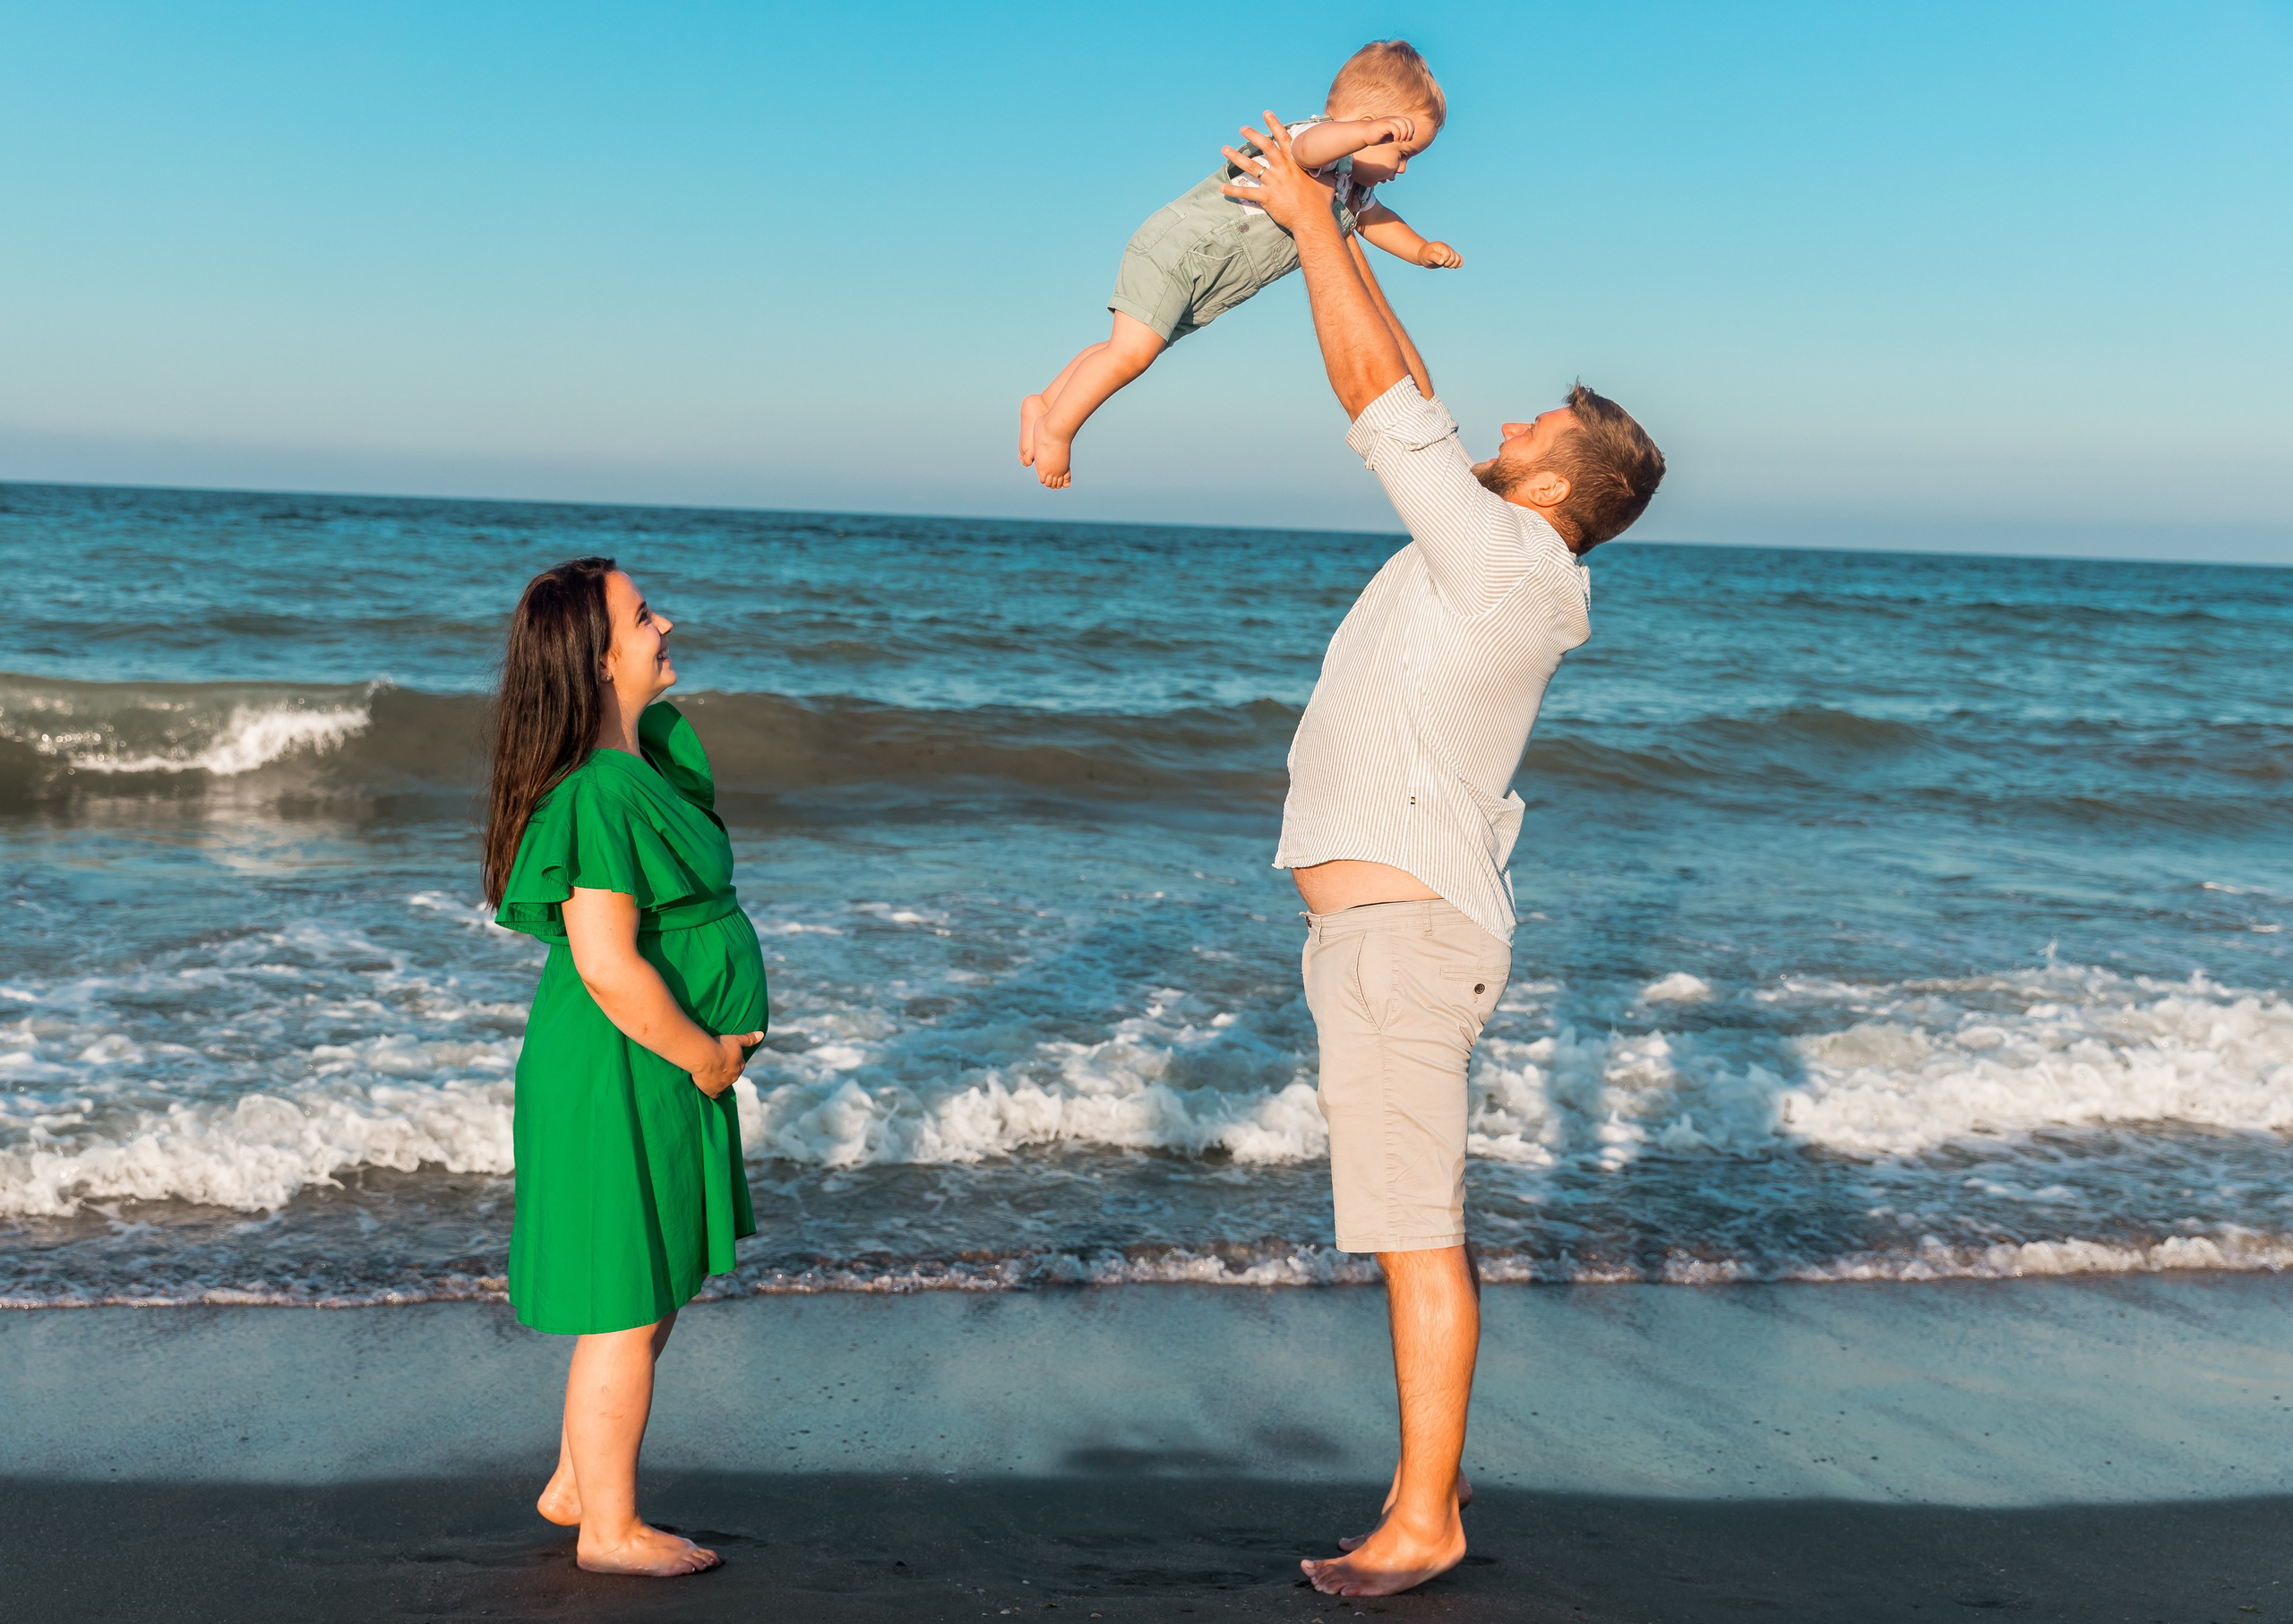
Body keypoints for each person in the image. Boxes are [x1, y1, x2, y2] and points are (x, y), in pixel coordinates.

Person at [1221, 116, 1666, 1597]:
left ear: (1556, 484)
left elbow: (1387, 401)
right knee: (1407, 1225)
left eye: (1534, 427)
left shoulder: (1511, 559)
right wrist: (1332, 229)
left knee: (1417, 1232)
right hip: (1388, 926)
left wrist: (1305, 224)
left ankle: (1425, 1519)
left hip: (1407, 933)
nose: (1509, 425)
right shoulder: (1504, 550)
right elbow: (1414, 395)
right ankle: (1427, 1489)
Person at [479, 555, 769, 1577]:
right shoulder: (596, 794)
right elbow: (605, 964)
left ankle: (576, 1481)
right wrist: (702, 1055)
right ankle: (608, 1530)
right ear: (597, 661)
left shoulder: (642, 759)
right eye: (643, 616)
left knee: (650, 1282)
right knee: (627, 1300)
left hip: (653, 1066)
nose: (666, 623)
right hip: (625, 1064)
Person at [1018, 39, 1463, 489]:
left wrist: (1421, 250)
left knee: (1124, 349)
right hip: (1183, 252)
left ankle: (1046, 402)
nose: (1402, 170)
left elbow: (1377, 222)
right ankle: (1059, 429)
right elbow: (1309, 150)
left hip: (1209, 281)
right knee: (1130, 354)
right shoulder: (1314, 142)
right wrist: (1364, 136)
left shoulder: (1353, 190)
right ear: (1371, 127)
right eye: (1402, 153)